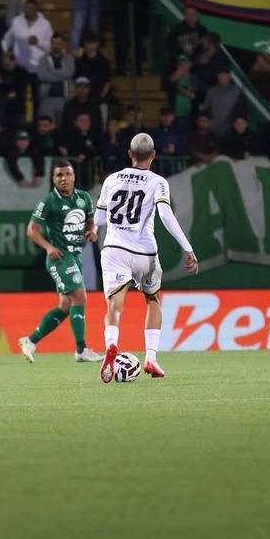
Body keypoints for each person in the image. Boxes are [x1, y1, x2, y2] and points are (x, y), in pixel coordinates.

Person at [94, 133, 198, 382]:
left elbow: (98, 219)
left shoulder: (111, 179)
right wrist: (188, 248)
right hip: (144, 253)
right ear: (153, 155)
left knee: (114, 306)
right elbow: (166, 215)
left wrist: (93, 229)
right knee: (153, 300)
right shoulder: (158, 182)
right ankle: (151, 357)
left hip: (114, 250)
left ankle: (111, 345)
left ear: (129, 154)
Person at [18, 159, 102, 363]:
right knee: (80, 297)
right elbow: (31, 230)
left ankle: (30, 341)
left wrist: (92, 232)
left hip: (76, 256)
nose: (64, 179)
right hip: (59, 257)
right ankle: (81, 349)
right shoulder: (48, 202)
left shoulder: (84, 198)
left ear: (74, 176)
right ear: (53, 179)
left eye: (67, 174)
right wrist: (48, 247)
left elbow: (91, 223)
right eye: (59, 175)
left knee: (65, 306)